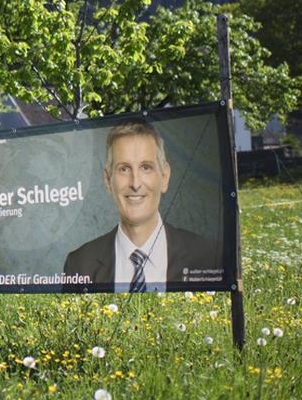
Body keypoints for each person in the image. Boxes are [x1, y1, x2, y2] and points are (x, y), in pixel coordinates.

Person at [63, 119, 220, 290]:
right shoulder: (79, 264)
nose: (135, 183)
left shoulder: (208, 255)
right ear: (108, 180)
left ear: (164, 177)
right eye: (124, 169)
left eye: (146, 167)